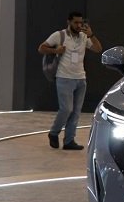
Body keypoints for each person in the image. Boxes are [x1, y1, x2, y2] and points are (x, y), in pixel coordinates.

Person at [38, 12, 102, 150]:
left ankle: (69, 141)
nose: (79, 25)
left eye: (80, 22)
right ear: (69, 22)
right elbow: (41, 48)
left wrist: (91, 34)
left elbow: (98, 49)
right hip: (64, 77)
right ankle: (53, 132)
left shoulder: (84, 36)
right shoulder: (59, 35)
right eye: (76, 22)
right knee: (66, 109)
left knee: (76, 112)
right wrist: (56, 51)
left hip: (81, 79)